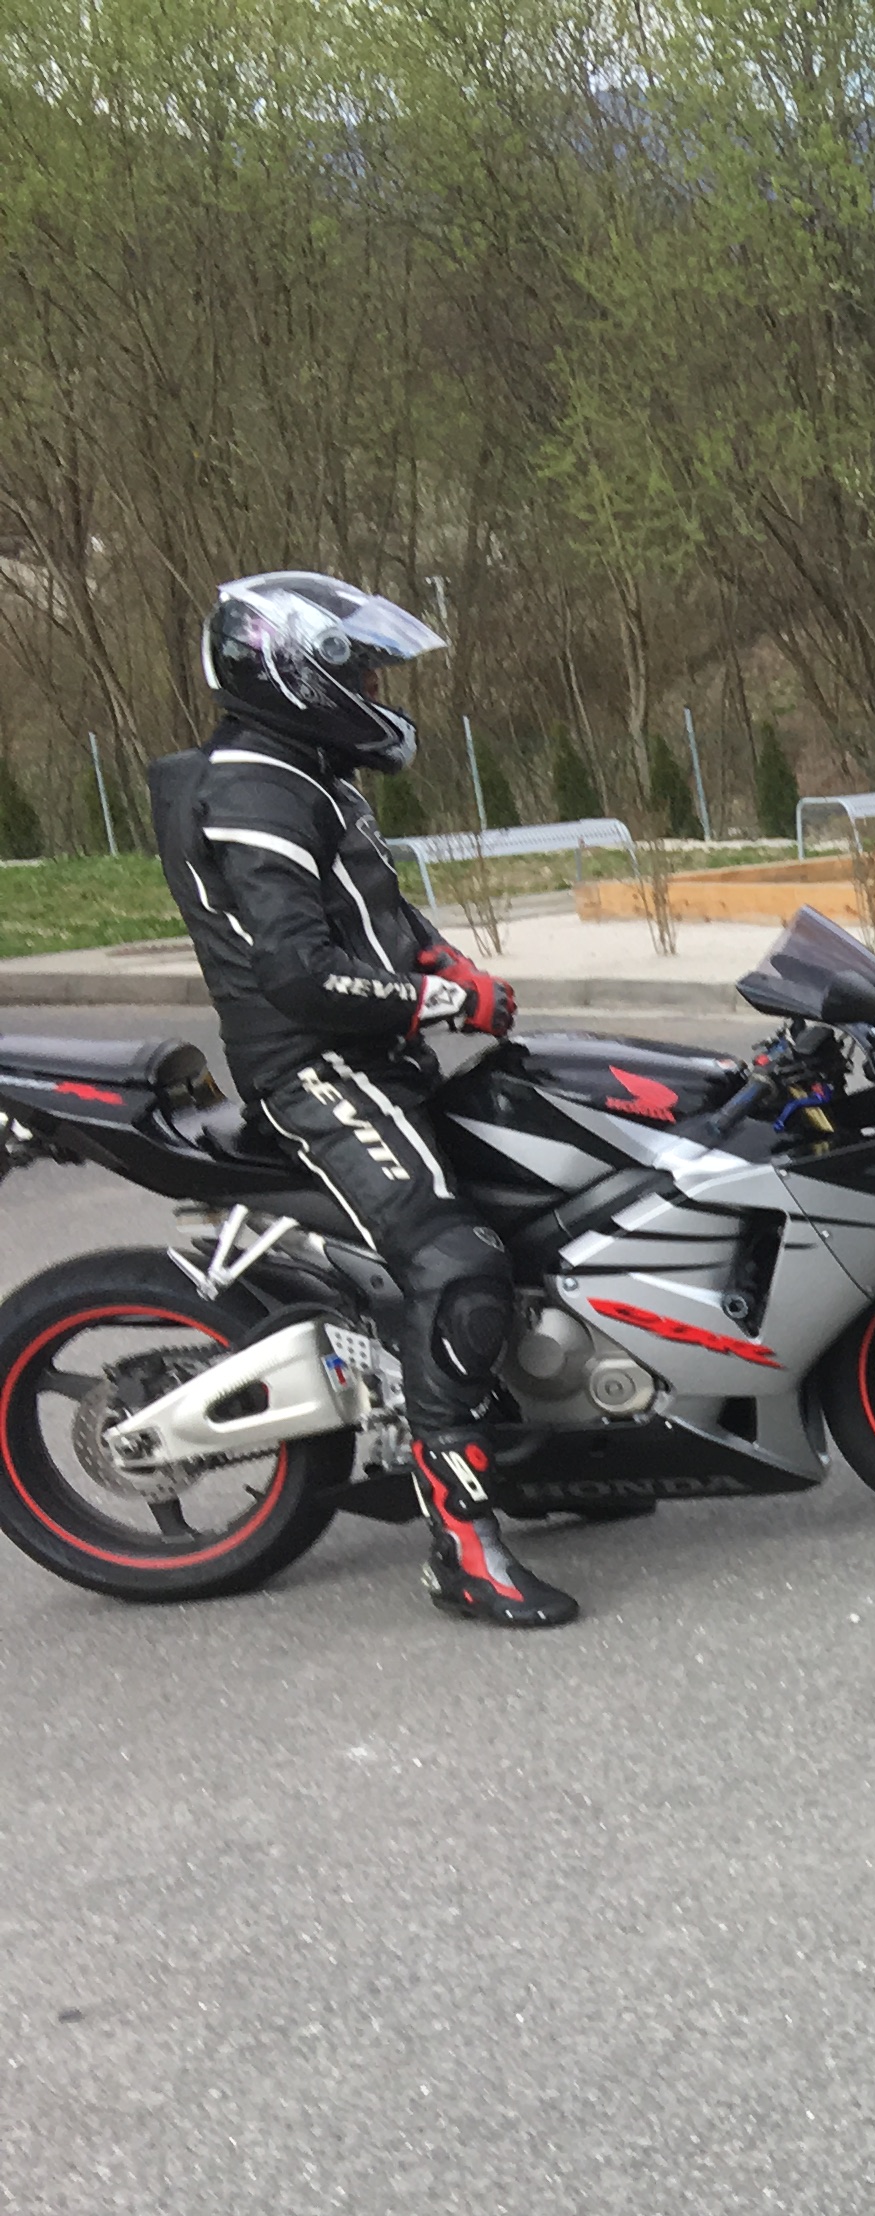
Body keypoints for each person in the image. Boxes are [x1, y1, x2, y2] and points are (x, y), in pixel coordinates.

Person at [147, 570, 578, 1630]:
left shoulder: (311, 777)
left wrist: (448, 966)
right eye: (364, 671)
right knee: (459, 1263)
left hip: (376, 1055)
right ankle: (463, 1548)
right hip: (314, 1069)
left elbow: (379, 920)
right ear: (294, 675)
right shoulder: (253, 792)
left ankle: (556, 1457)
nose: (380, 689)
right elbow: (299, 975)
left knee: (546, 1196)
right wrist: (441, 997)